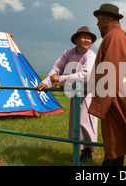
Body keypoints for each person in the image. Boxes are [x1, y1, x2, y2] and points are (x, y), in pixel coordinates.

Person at [88, 3, 126, 166]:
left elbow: (111, 72)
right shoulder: (116, 35)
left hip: (115, 95)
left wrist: (100, 105)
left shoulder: (114, 36)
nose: (97, 24)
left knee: (115, 143)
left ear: (107, 19)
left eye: (98, 20)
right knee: (116, 143)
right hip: (117, 93)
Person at [37, 26, 98, 164]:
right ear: (76, 39)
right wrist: (46, 82)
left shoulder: (90, 56)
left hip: (87, 94)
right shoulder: (68, 53)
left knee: (86, 123)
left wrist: (61, 79)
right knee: (76, 124)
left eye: (89, 38)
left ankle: (88, 154)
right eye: (84, 37)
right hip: (75, 93)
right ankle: (80, 152)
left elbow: (86, 76)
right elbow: (57, 68)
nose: (87, 40)